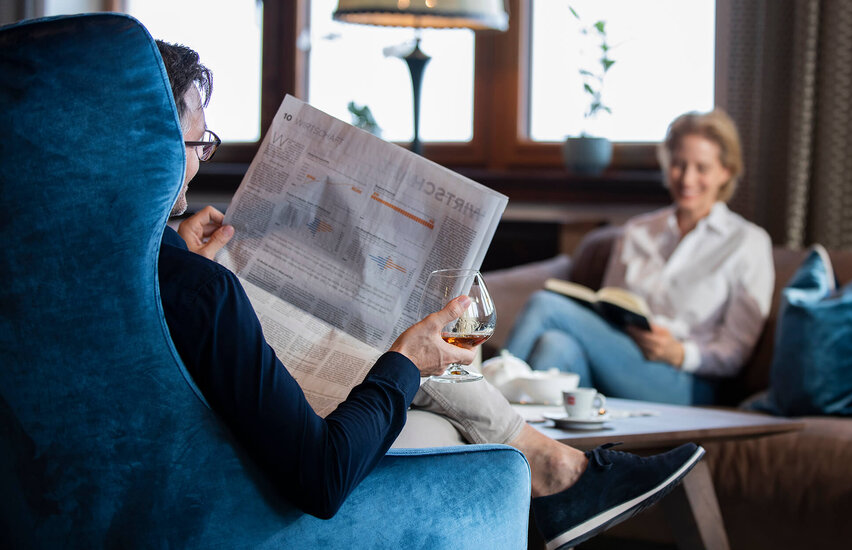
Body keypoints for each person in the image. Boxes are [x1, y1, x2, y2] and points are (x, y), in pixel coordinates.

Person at [156, 40, 704, 549]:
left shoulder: (133, 261)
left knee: (416, 382)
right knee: (410, 356)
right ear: (149, 145)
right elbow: (320, 478)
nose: (203, 159)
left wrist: (178, 256)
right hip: (262, 475)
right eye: (196, 143)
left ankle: (557, 469)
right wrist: (404, 362)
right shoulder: (198, 288)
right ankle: (562, 474)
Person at [506, 109, 775, 406]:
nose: (687, 178)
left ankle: (481, 400)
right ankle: (530, 450)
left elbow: (734, 353)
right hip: (618, 356)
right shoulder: (637, 231)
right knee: (554, 346)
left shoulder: (747, 242)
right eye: (678, 164)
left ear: (725, 171)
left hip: (685, 380)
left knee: (545, 305)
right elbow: (610, 304)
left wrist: (679, 353)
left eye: (702, 168)